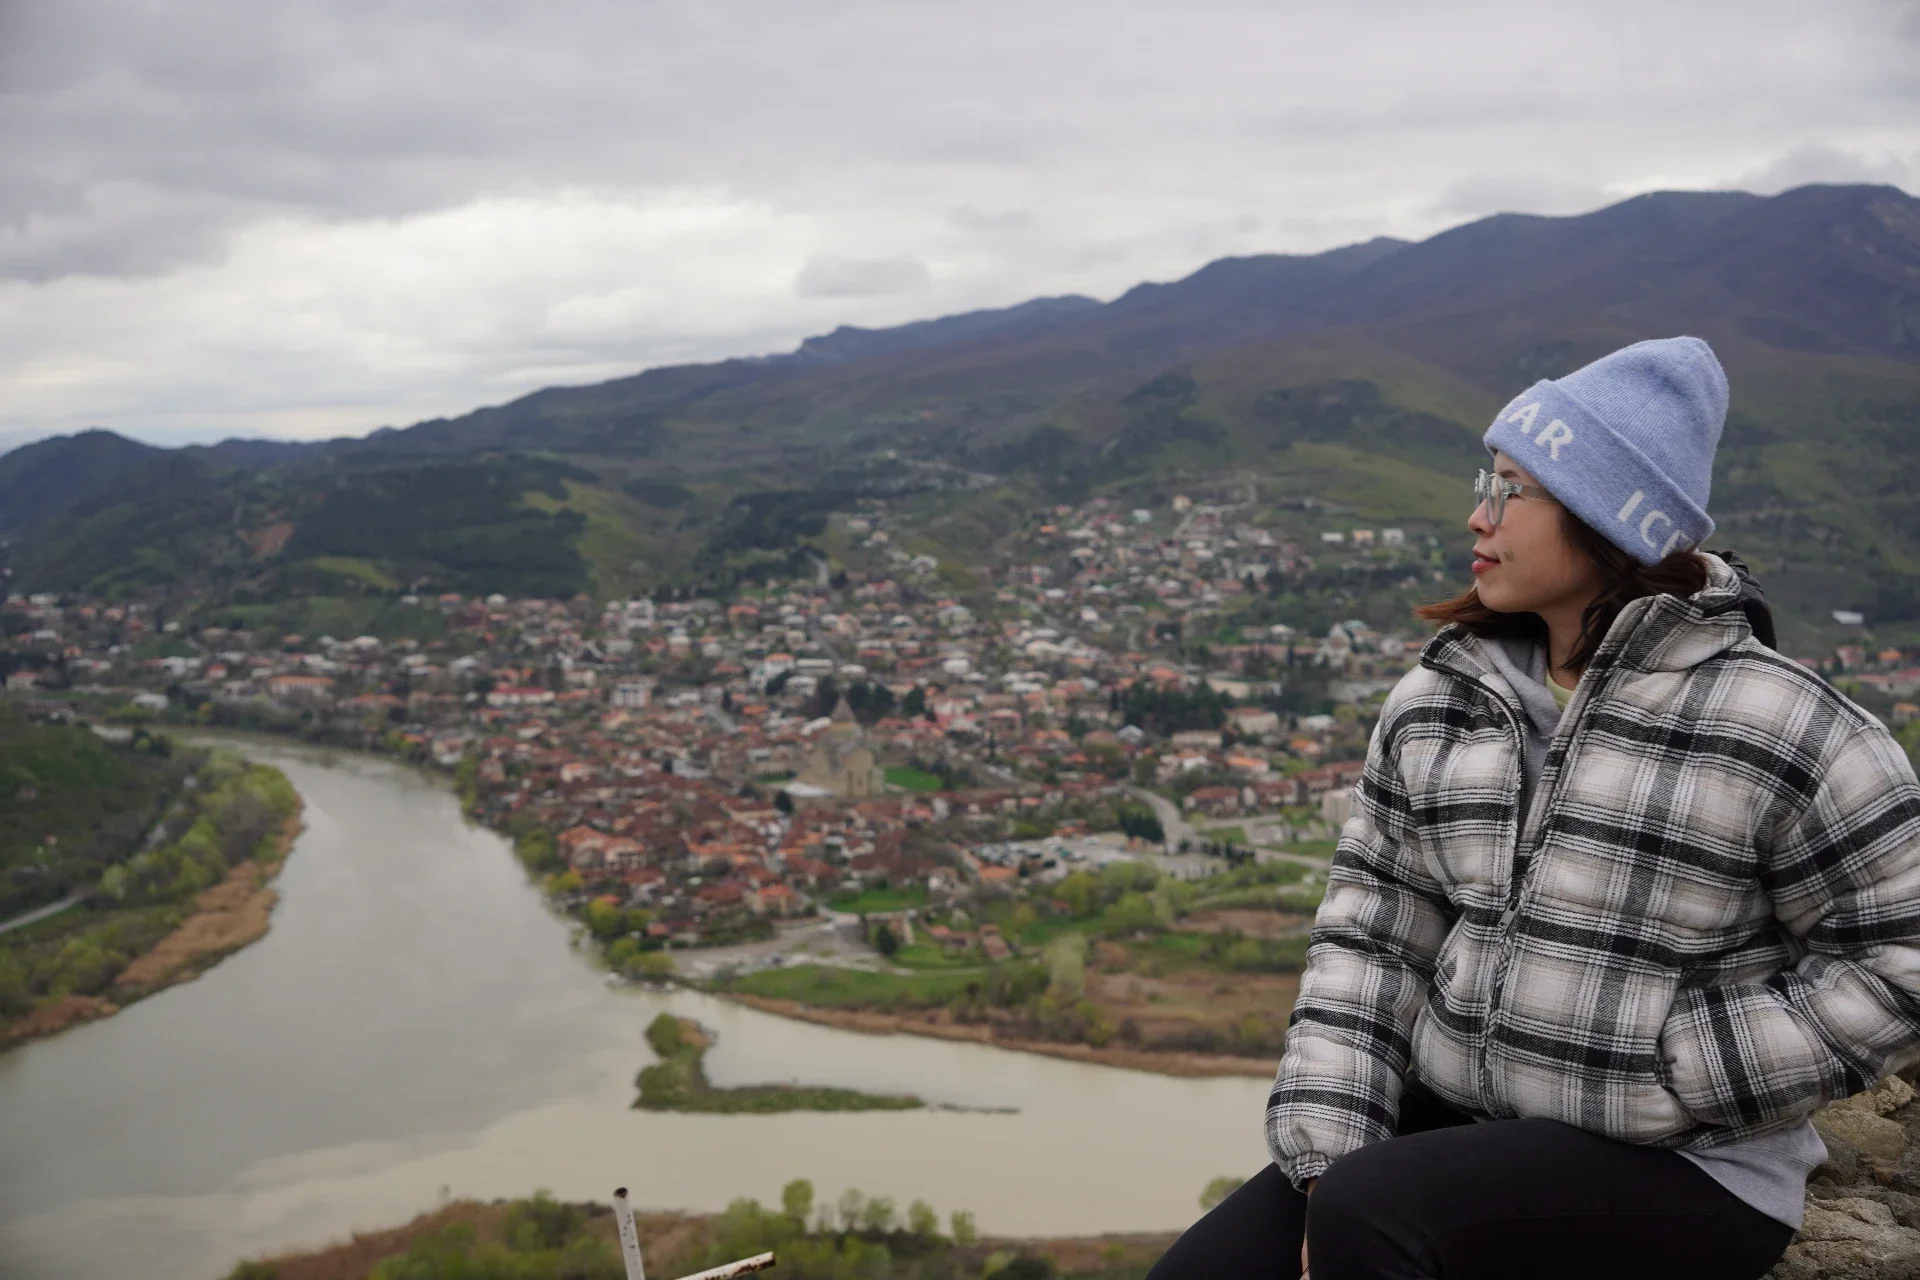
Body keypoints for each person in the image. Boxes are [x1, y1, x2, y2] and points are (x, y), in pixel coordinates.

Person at [1148, 337, 1920, 1280]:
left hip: (1685, 1168)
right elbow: (1372, 935)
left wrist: (1679, 1071)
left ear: (1608, 517)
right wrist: (1326, 1155)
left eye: (1513, 488)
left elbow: (1899, 951)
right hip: (1459, 1121)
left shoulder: (1782, 723)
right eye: (1487, 481)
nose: (1479, 516)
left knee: (1380, 1219)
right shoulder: (1442, 700)